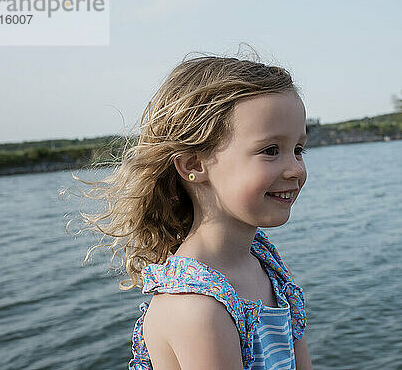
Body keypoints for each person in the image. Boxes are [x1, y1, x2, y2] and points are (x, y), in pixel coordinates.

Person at [79, 53, 313, 369]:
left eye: (298, 149)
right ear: (194, 164)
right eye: (271, 151)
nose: (295, 169)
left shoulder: (264, 262)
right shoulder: (195, 307)